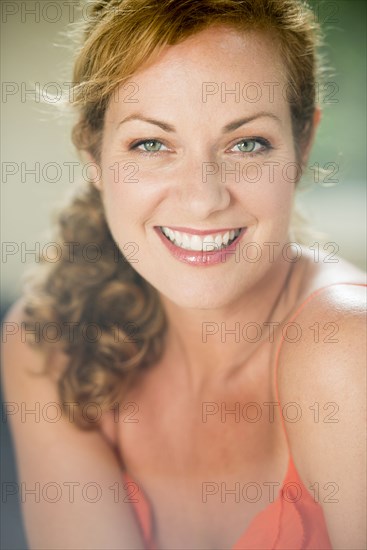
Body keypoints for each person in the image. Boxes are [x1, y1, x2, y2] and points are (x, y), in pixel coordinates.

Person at [1, 0, 366, 549]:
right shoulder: (50, 342)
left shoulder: (349, 352)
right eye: (152, 144)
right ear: (94, 156)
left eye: (247, 144)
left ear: (303, 145)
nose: (202, 200)